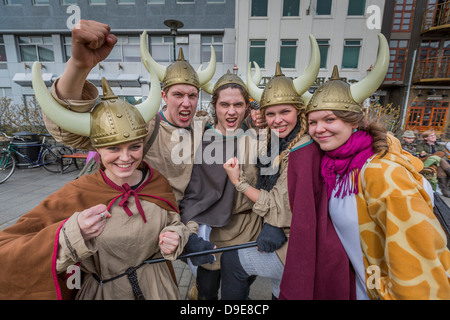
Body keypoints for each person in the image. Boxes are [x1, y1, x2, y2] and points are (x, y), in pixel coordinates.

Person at [0, 66, 190, 299]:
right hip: (105, 292)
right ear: (96, 148)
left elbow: (173, 220)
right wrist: (72, 233)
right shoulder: (77, 192)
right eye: (113, 148)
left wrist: (175, 234)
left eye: (135, 147)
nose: (125, 157)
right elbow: (8, 249)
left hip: (158, 287)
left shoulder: (156, 181)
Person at [304, 34, 450, 300]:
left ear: (354, 122)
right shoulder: (333, 166)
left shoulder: (382, 172)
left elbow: (419, 260)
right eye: (313, 122)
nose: (319, 129)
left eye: (329, 119)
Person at [221, 37, 355, 300]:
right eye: (270, 114)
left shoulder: (302, 150)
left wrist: (239, 182)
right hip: (287, 235)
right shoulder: (280, 139)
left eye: (285, 112)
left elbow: (279, 207)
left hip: (297, 245)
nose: (277, 120)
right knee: (277, 289)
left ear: (299, 112)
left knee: (232, 262)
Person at [42, 20, 216, 206]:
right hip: (138, 216)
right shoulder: (142, 125)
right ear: (164, 96)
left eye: (192, 95)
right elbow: (69, 133)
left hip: (176, 219)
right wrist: (78, 67)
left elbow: (231, 125)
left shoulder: (201, 125)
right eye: (178, 95)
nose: (186, 103)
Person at [179, 69, 263, 300]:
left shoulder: (257, 135)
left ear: (247, 106)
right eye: (224, 104)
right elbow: (193, 188)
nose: (231, 111)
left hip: (246, 227)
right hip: (210, 228)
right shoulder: (199, 137)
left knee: (238, 291)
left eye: (238, 104)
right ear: (215, 105)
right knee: (207, 290)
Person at [416, 130, 450, 197]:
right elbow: (422, 155)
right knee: (438, 158)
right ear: (426, 138)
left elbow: (445, 156)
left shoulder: (439, 146)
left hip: (438, 164)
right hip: (427, 163)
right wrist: (436, 156)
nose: (433, 137)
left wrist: (434, 156)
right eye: (431, 136)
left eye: (434, 135)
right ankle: (444, 190)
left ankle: (445, 191)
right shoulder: (421, 145)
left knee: (439, 162)